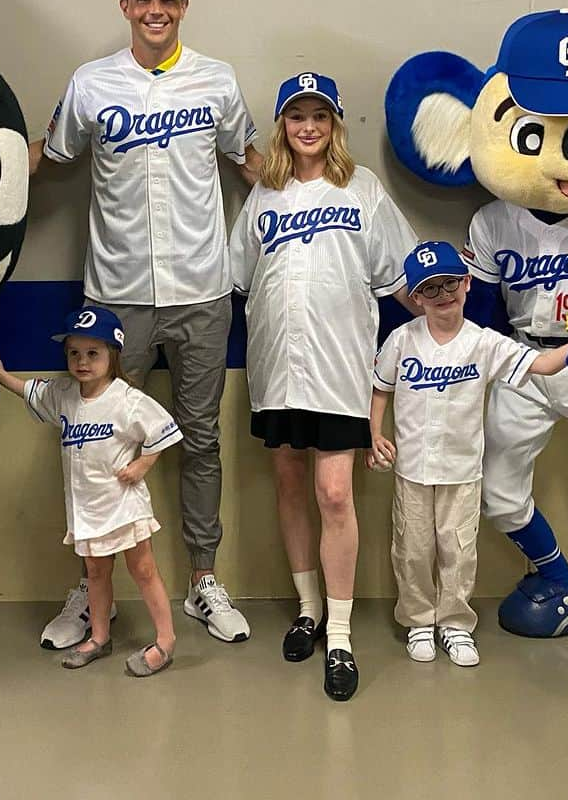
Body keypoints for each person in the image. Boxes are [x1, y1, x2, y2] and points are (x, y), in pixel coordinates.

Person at [30, 0, 261, 649]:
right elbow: (53, 157)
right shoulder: (91, 83)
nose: (156, 10)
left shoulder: (216, 80)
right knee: (93, 440)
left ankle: (201, 581)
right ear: (124, 5)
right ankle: (92, 585)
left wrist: (325, 199)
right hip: (115, 297)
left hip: (201, 290)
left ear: (183, 6)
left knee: (199, 440)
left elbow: (252, 164)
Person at [229, 73, 418, 701]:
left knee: (335, 494)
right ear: (282, 125)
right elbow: (240, 278)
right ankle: (308, 608)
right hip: (278, 369)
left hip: (340, 373)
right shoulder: (265, 196)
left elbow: (402, 278)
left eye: (319, 116)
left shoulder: (363, 190)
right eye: (295, 117)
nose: (307, 127)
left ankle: (339, 632)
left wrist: (449, 327)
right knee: (288, 484)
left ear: (335, 123)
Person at [369, 242, 568, 667]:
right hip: (412, 470)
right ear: (416, 297)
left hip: (463, 470)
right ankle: (419, 623)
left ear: (466, 283)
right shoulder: (402, 340)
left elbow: (542, 365)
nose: (442, 294)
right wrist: (374, 433)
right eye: (430, 289)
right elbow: (381, 388)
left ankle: (456, 625)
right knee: (412, 549)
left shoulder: (483, 343)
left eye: (450, 283)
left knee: (459, 551)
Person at [0, 307, 181, 677]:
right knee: (96, 572)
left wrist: (142, 464)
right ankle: (99, 636)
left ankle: (166, 641)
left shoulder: (126, 398)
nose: (82, 361)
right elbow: (30, 391)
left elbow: (164, 431)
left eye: (92, 353)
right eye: (74, 353)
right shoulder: (64, 394)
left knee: (143, 569)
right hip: (85, 506)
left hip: (124, 505)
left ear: (113, 354)